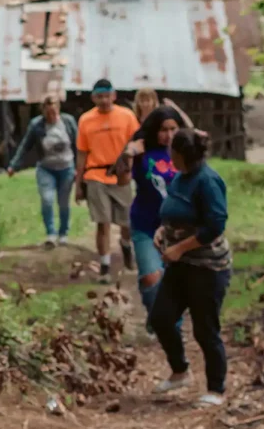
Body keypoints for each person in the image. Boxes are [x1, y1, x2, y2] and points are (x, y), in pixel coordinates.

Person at [149, 128, 232, 407]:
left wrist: (180, 247)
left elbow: (215, 224)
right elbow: (173, 211)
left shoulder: (208, 182)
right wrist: (163, 231)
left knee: (205, 328)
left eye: (172, 150)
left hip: (207, 267)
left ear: (182, 154)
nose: (168, 154)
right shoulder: (181, 178)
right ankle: (180, 370)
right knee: (161, 317)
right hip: (179, 265)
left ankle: (216, 388)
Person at [116, 106, 186, 333]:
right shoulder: (141, 151)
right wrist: (127, 154)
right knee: (150, 277)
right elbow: (122, 181)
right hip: (145, 224)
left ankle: (168, 324)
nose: (169, 135)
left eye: (173, 129)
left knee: (175, 281)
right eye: (163, 130)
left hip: (178, 229)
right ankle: (157, 317)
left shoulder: (184, 151)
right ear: (154, 131)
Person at [75, 79, 140, 283]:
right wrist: (78, 184)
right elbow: (82, 153)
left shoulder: (127, 116)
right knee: (102, 222)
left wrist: (132, 167)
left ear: (114, 95)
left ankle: (126, 245)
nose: (104, 101)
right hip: (95, 175)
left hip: (120, 173)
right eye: (99, 96)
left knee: (126, 221)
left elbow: (137, 143)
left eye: (107, 96)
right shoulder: (86, 120)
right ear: (93, 98)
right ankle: (104, 265)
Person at [7, 95, 79, 248]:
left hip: (66, 168)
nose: (51, 116)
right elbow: (25, 146)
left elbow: (78, 144)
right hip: (46, 168)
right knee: (47, 199)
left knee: (63, 202)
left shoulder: (68, 122)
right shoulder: (36, 125)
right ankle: (51, 233)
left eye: (53, 112)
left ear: (58, 109)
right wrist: (14, 165)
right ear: (43, 112)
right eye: (48, 113)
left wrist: (80, 167)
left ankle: (63, 233)